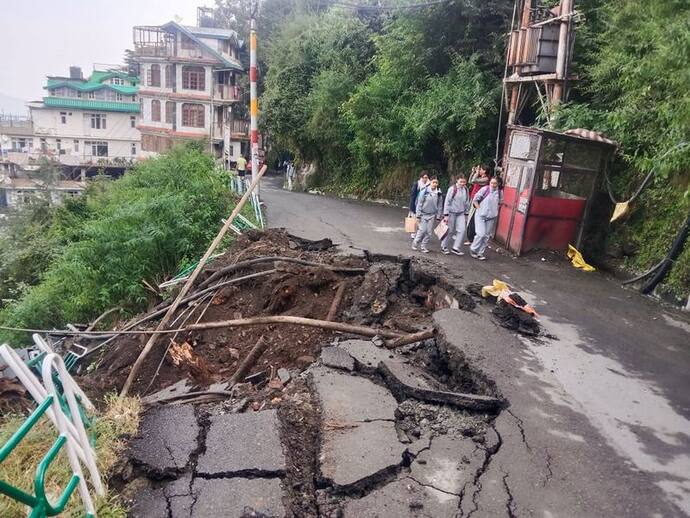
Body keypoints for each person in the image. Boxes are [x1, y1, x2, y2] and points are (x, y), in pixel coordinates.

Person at [470, 177, 501, 260]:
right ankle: (473, 249)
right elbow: (475, 200)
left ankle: (480, 253)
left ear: (498, 184)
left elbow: (500, 202)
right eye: (492, 183)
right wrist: (479, 208)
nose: (493, 185)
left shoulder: (499, 192)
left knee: (486, 236)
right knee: (480, 234)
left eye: (495, 183)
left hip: (491, 217)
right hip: (480, 215)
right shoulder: (485, 189)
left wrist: (494, 211)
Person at [441, 176, 470, 255]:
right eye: (461, 182)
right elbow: (447, 202)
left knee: (462, 230)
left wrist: (466, 213)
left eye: (464, 182)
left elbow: (467, 202)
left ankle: (456, 248)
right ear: (457, 181)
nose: (462, 183)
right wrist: (446, 214)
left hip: (461, 213)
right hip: (451, 212)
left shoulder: (466, 189)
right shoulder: (452, 189)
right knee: (449, 231)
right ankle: (444, 247)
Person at [412, 177, 443, 253]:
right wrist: (418, 215)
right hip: (423, 214)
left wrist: (438, 216)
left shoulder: (438, 193)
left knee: (429, 232)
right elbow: (419, 204)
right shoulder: (425, 191)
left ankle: (423, 246)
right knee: (422, 230)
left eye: (436, 183)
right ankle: (415, 242)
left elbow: (440, 205)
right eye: (433, 182)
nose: (435, 184)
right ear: (430, 183)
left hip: (432, 215)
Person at [408, 171, 430, 238]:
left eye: (426, 178)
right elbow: (413, 196)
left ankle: (420, 233)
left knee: (422, 220)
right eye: (424, 177)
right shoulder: (417, 184)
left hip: (425, 205)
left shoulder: (429, 185)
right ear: (421, 178)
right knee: (415, 219)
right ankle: (413, 233)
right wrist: (411, 207)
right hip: (416, 204)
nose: (425, 179)